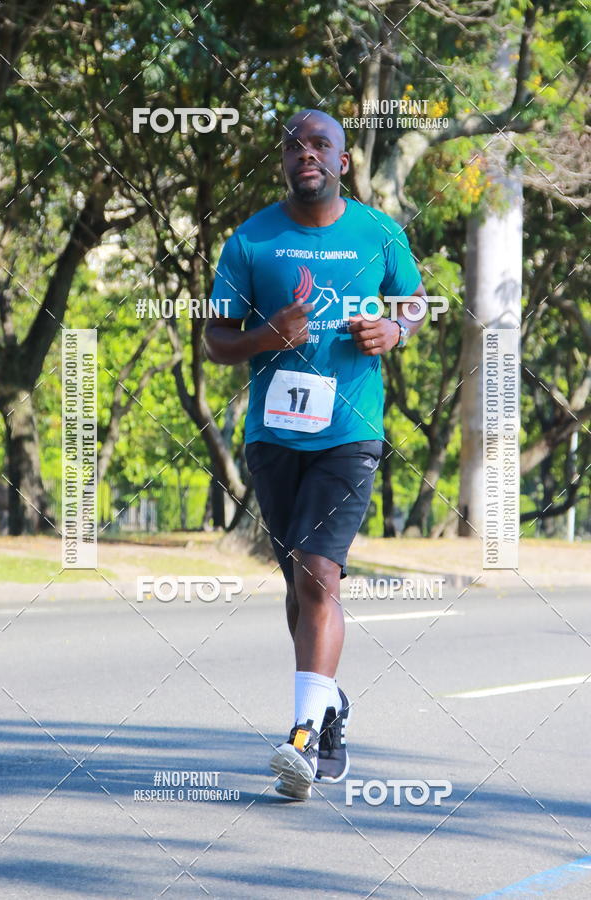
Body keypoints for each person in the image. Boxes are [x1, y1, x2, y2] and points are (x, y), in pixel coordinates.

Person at [205, 109, 426, 800]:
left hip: (350, 433)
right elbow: (216, 340)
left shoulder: (379, 233)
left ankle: (302, 736)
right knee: (298, 583)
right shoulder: (251, 240)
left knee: (318, 573)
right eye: (295, 146)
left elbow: (416, 302)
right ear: (283, 162)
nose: (307, 154)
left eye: (321, 144)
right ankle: (328, 709)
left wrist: (395, 330)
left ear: (342, 162)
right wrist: (264, 338)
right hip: (274, 437)